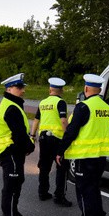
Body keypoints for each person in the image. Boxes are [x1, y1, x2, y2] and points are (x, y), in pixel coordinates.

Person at [56, 74, 109, 216]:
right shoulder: (106, 107)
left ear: (86, 88)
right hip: (101, 155)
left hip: (85, 156)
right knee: (94, 188)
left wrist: (61, 151)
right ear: (100, 90)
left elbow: (71, 132)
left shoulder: (83, 107)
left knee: (84, 190)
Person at [0, 73, 35, 216]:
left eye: (22, 87)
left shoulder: (12, 103)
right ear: (9, 89)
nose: (23, 90)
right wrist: (30, 146)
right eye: (19, 87)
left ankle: (13, 213)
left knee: (18, 181)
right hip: (8, 149)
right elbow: (19, 135)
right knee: (11, 185)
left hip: (12, 149)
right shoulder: (11, 107)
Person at [30, 77, 72, 206]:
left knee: (44, 166)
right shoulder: (60, 102)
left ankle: (43, 192)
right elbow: (63, 120)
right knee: (61, 167)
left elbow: (36, 120)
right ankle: (59, 197)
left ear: (50, 89)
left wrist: (32, 135)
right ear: (61, 90)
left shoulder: (43, 102)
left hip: (43, 138)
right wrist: (68, 135)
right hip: (57, 139)